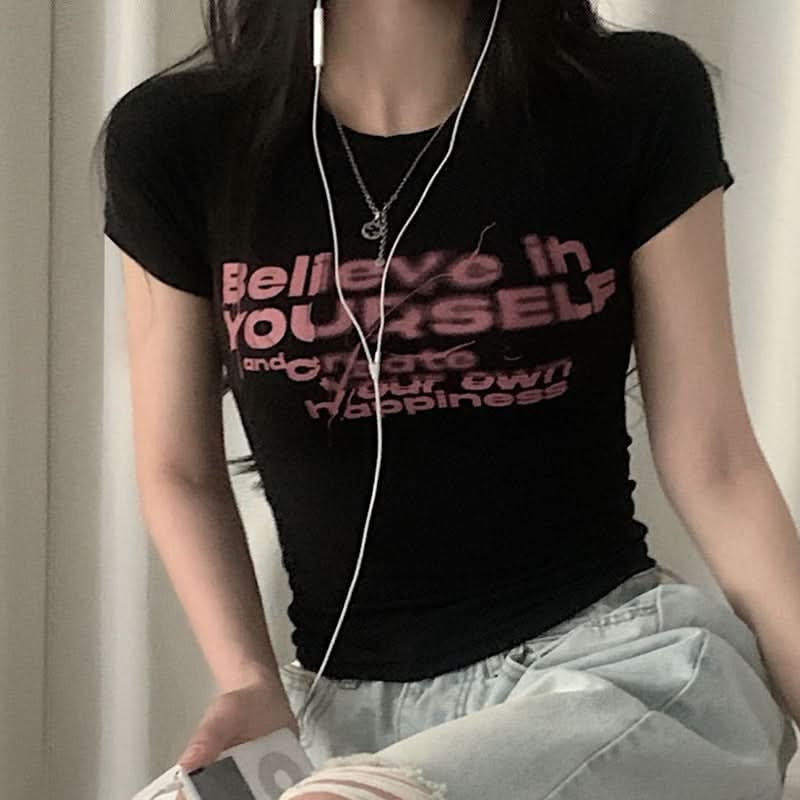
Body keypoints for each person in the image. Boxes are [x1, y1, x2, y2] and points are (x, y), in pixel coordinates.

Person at [97, 1, 799, 798]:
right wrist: (249, 680)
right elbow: (178, 467)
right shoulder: (180, 140)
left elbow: (717, 463)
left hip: (611, 680)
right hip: (340, 720)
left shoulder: (633, 97)